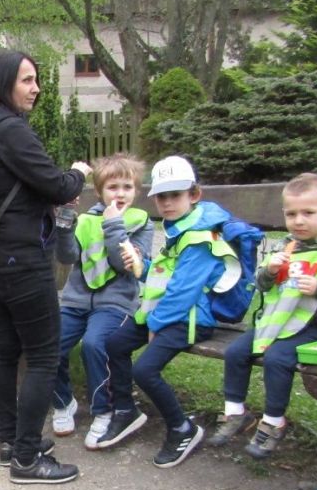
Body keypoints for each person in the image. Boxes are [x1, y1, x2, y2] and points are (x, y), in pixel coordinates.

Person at [0, 50, 91, 484]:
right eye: (27, 80)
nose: (36, 89)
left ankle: (10, 442)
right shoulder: (11, 130)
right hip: (22, 261)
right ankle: (28, 459)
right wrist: (77, 173)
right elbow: (56, 184)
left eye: (36, 80)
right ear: (4, 84)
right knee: (44, 356)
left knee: (6, 352)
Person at [210, 173, 317, 458]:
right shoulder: (283, 247)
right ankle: (235, 412)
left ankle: (274, 422)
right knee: (236, 352)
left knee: (277, 359)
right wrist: (268, 271)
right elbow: (261, 284)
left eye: (308, 213)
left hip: (312, 326)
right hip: (274, 323)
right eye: (291, 214)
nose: (299, 221)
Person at [101, 155, 238, 467]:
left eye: (175, 195)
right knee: (115, 344)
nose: (167, 203)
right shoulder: (180, 228)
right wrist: (143, 265)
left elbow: (183, 292)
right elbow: (167, 276)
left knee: (145, 371)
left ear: (194, 194)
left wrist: (156, 324)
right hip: (164, 313)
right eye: (161, 196)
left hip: (190, 319)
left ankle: (183, 429)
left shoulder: (200, 237)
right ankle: (125, 410)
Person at [51, 154, 154, 449]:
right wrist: (65, 224)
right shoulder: (85, 221)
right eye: (112, 187)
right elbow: (67, 256)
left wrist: (113, 225)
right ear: (99, 191)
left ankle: (104, 411)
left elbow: (123, 264)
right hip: (76, 301)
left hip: (115, 303)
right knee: (49, 345)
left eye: (127, 187)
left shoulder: (141, 222)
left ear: (136, 191)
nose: (120, 194)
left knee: (96, 344)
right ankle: (63, 402)